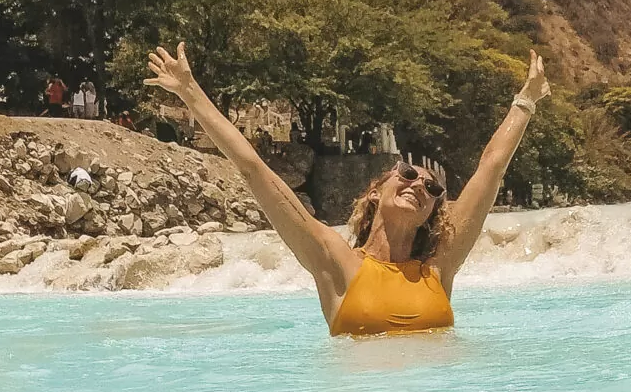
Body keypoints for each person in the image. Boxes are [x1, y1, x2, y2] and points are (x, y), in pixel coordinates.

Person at [145, 42, 550, 337]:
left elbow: (491, 167)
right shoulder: (336, 263)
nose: (420, 185)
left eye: (433, 188)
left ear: (433, 211)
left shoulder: (439, 268)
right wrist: (190, 93)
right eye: (408, 174)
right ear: (375, 192)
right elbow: (253, 169)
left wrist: (527, 98)